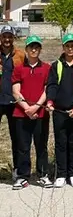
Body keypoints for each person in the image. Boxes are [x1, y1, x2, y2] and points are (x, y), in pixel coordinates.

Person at [11, 36, 51, 189]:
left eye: (37, 47)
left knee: (41, 145)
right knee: (23, 146)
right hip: (21, 114)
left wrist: (36, 107)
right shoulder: (19, 68)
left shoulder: (47, 68)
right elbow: (16, 91)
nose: (34, 50)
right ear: (26, 49)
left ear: (40, 49)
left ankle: (43, 175)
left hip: (40, 114)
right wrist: (26, 108)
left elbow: (47, 90)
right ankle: (22, 176)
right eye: (31, 47)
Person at [46, 34, 73, 188]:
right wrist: (50, 101)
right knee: (61, 142)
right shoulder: (56, 65)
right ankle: (61, 173)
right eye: (67, 46)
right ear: (63, 47)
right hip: (59, 111)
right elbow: (52, 85)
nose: (70, 49)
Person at [0, 25, 26, 182]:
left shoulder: (20, 56)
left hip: (13, 102)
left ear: (13, 38)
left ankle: (18, 170)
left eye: (10, 36)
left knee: (17, 138)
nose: (7, 39)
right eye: (4, 36)